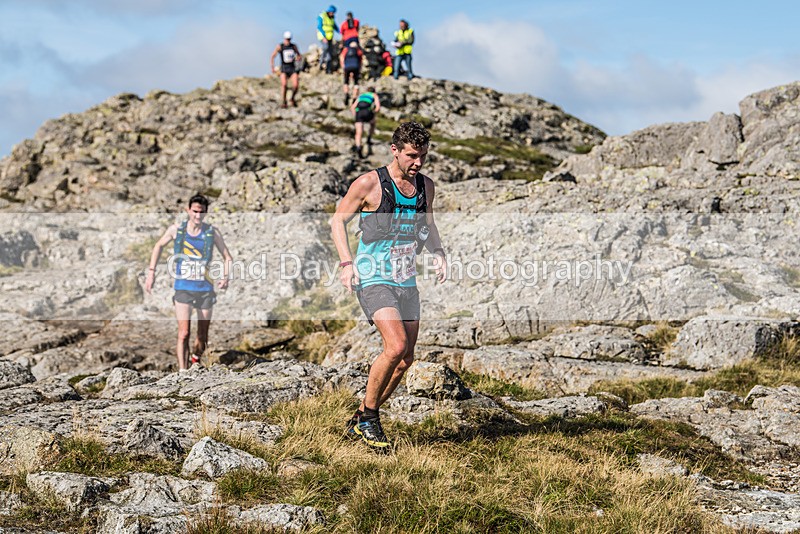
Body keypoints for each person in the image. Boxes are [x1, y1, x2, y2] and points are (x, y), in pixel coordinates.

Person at [330, 122, 447, 453]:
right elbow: (338, 220)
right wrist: (346, 263)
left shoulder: (426, 186)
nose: (418, 163)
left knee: (406, 358)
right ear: (395, 151)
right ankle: (368, 418)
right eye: (412, 155)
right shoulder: (369, 183)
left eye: (423, 155)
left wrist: (438, 252)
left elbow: (429, 223)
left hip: (406, 279)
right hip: (373, 276)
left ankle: (363, 416)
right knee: (394, 347)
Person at [145, 194, 233, 371]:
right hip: (183, 287)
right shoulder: (177, 229)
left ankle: (196, 359)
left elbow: (227, 257)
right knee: (184, 333)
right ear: (188, 210)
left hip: (205, 288)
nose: (198, 216)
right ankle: (183, 371)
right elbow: (158, 246)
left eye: (201, 212)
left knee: (203, 336)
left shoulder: (212, 232)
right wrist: (151, 272)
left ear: (206, 212)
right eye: (195, 211)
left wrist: (225, 277)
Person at [270, 31, 302, 108]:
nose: (288, 41)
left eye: (289, 39)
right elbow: (273, 56)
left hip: (292, 69)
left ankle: (292, 99)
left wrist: (298, 58)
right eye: (287, 39)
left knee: (296, 85)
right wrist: (272, 67)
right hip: (284, 69)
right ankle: (283, 102)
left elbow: (299, 55)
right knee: (284, 85)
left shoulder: (294, 46)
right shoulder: (280, 46)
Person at [350, 86, 381, 158]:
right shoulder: (374, 95)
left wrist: (356, 115)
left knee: (358, 132)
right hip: (367, 111)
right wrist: (374, 113)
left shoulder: (361, 95)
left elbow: (352, 107)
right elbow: (378, 107)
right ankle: (369, 138)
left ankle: (358, 147)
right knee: (373, 123)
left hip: (359, 113)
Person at [317, 5, 339, 74]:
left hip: (330, 37)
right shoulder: (322, 16)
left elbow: (335, 27)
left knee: (330, 53)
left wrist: (341, 32)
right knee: (325, 48)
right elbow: (319, 27)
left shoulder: (332, 18)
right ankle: (321, 62)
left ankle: (328, 70)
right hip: (323, 37)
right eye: (332, 12)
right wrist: (324, 37)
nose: (332, 14)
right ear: (329, 11)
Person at [340, 41, 363, 106]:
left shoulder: (346, 49)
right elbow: (361, 61)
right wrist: (359, 68)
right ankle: (354, 97)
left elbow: (341, 57)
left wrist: (343, 66)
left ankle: (346, 93)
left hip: (347, 67)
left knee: (346, 81)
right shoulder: (358, 51)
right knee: (356, 82)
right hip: (356, 67)